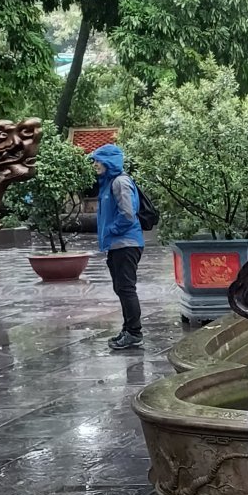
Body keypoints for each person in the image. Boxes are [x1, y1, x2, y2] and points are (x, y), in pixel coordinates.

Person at [89, 143, 144, 350]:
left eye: (98, 160)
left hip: (126, 244)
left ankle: (134, 332)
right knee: (121, 288)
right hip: (117, 245)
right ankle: (128, 329)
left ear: (109, 162)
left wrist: (111, 230)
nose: (95, 164)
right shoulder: (109, 182)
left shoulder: (120, 182)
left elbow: (128, 214)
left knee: (126, 288)